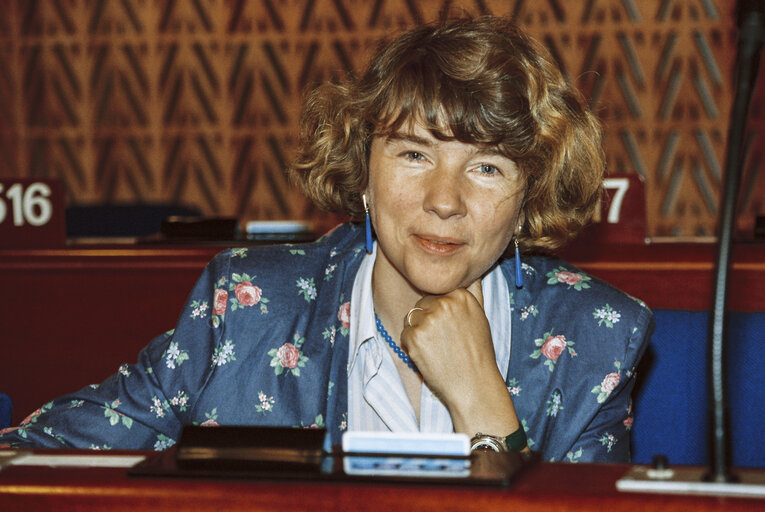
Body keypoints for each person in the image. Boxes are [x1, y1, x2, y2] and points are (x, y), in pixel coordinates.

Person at [0, 16, 653, 462]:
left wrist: (483, 404)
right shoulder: (248, 308)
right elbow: (36, 455)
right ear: (362, 176)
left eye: (485, 167)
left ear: (526, 199)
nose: (445, 200)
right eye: (413, 155)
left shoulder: (594, 341)